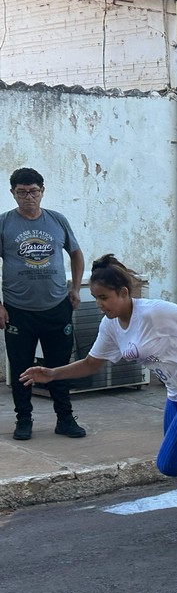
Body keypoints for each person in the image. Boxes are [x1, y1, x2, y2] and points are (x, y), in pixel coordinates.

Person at [22, 255, 177, 530]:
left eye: (104, 297)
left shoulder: (153, 312)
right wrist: (52, 373)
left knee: (170, 463)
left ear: (123, 293)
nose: (99, 304)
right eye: (95, 297)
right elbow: (92, 363)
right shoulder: (110, 325)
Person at [2, 167, 87, 441]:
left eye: (33, 191)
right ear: (13, 194)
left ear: (42, 191)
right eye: (22, 192)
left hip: (56, 307)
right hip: (18, 310)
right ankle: (23, 420)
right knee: (21, 367)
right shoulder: (4, 223)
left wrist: (74, 288)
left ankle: (65, 418)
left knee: (59, 366)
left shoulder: (56, 220)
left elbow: (75, 253)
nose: (29, 197)